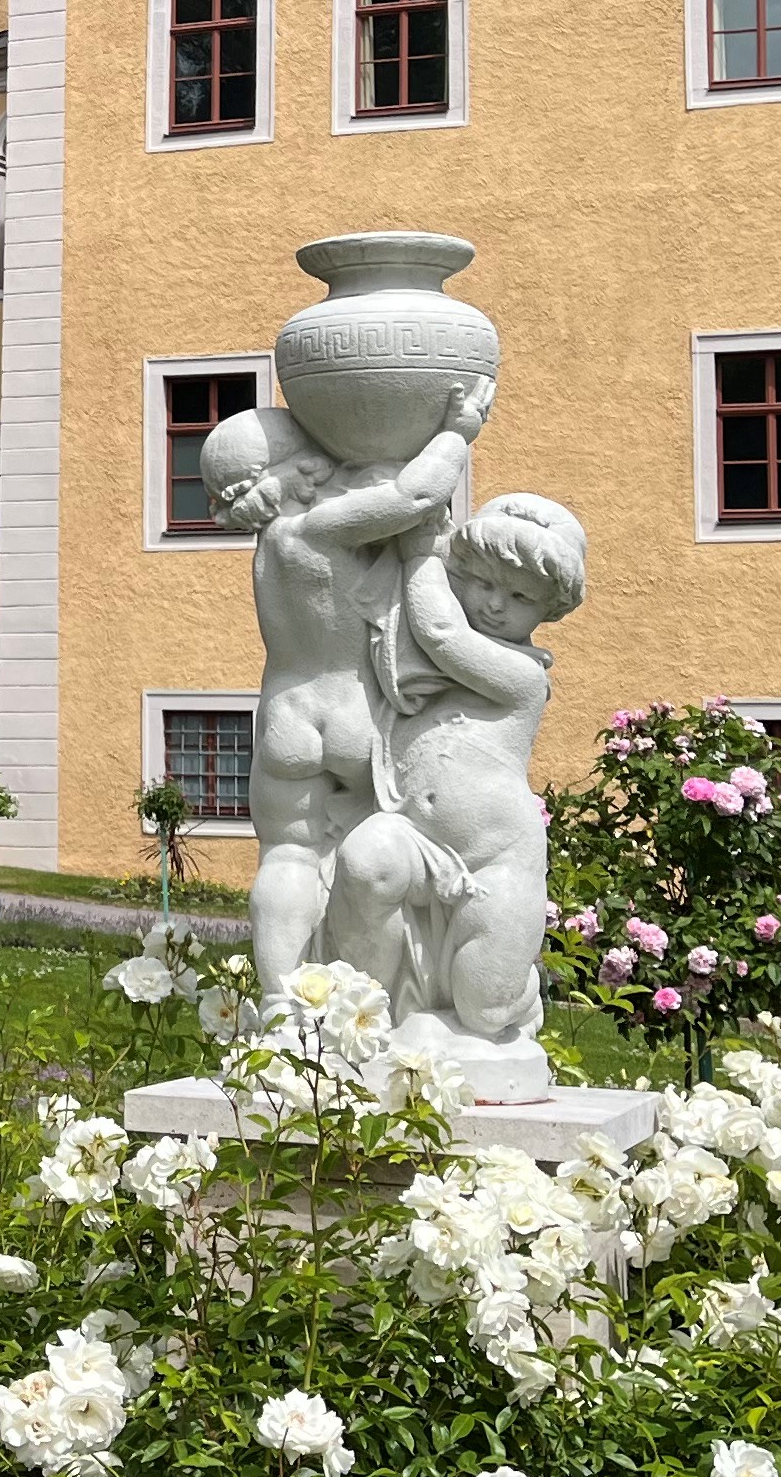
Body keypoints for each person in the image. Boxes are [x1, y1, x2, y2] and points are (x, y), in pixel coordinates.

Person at [208, 374, 491, 995]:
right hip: (354, 714)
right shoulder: (320, 526)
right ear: (303, 465)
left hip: (285, 714)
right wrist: (456, 433)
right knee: (391, 859)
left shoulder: (270, 544)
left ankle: (282, 1008)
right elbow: (415, 497)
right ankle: (380, 1001)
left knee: (286, 858)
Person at [321, 491, 586, 1099]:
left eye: (520, 597)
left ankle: (516, 1002)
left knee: (484, 1009)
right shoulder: (419, 670)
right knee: (364, 864)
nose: (494, 605)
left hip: (497, 859)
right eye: (484, 583)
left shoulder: (522, 677)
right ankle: (371, 1017)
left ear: (547, 609)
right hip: (415, 837)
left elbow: (440, 628)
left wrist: (419, 549)